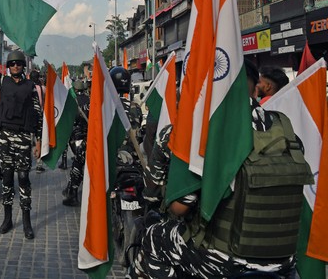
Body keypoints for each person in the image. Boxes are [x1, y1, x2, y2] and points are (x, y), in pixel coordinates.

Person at [129, 59, 301, 278]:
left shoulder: (203, 133)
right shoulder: (283, 128)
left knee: (153, 238)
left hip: (222, 261)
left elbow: (180, 208)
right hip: (284, 263)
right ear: (256, 87)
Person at [0, 45, 42, 239]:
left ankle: (26, 221)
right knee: (7, 179)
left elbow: (36, 115)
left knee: (24, 178)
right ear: (8, 66)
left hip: (24, 138)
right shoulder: (3, 81)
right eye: (12, 64)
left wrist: (39, 142)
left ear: (23, 66)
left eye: (18, 64)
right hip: (5, 137)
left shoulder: (30, 87)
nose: (15, 66)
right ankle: (7, 219)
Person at [61, 80, 90, 207]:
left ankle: (73, 193)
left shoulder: (74, 102)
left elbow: (69, 120)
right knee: (80, 163)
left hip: (77, 137)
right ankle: (70, 189)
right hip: (89, 135)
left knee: (78, 164)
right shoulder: (89, 100)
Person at [29, 69, 46, 174]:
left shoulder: (27, 87)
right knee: (39, 139)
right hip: (40, 117)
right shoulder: (43, 88)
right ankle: (39, 164)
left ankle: (27, 163)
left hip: (29, 118)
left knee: (29, 142)